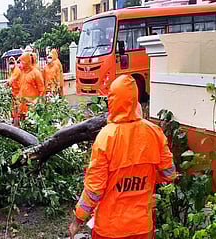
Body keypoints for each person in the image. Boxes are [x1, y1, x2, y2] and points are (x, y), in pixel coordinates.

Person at [68, 75, 176, 239]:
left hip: (109, 228)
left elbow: (94, 188)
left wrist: (78, 219)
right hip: (141, 227)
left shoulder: (106, 137)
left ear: (112, 100)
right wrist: (147, 177)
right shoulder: (154, 133)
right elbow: (170, 174)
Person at [18, 52, 45, 120]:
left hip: (32, 105)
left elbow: (42, 90)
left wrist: (36, 101)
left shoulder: (36, 73)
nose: (20, 64)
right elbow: (22, 87)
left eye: (21, 62)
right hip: (22, 104)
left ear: (25, 62)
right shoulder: (22, 72)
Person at [4, 56, 22, 126]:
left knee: (17, 108)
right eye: (10, 63)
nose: (11, 64)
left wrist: (7, 83)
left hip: (18, 92)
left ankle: (17, 124)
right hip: (13, 92)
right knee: (14, 109)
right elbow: (10, 78)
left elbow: (12, 79)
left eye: (12, 63)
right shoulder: (11, 71)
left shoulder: (16, 70)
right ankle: (15, 123)